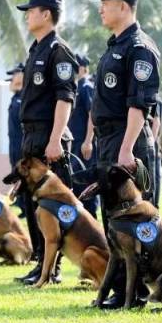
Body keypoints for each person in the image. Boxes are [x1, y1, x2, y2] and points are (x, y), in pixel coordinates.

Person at [84, 0, 160, 309]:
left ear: (124, 7)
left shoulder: (139, 47)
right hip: (109, 138)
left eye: (107, 1)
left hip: (127, 139)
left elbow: (139, 105)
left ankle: (141, 290)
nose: (101, 7)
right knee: (113, 217)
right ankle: (120, 289)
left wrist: (127, 148)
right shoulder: (115, 45)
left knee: (136, 217)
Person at [14, 0, 78, 286]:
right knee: (32, 205)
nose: (27, 15)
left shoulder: (58, 50)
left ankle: (53, 267)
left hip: (48, 135)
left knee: (53, 205)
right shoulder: (36, 49)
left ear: (47, 15)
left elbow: (64, 98)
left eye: (32, 10)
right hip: (31, 135)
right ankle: (41, 262)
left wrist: (55, 140)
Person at [69, 54, 98, 217]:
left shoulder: (86, 86)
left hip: (83, 141)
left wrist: (88, 141)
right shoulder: (77, 87)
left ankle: (91, 216)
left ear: (84, 68)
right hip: (75, 141)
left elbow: (91, 114)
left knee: (85, 181)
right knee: (76, 181)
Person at [6, 62, 26, 217]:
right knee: (16, 174)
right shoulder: (16, 98)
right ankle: (21, 205)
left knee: (23, 176)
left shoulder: (22, 99)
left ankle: (26, 207)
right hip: (14, 144)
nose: (11, 81)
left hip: (21, 144)